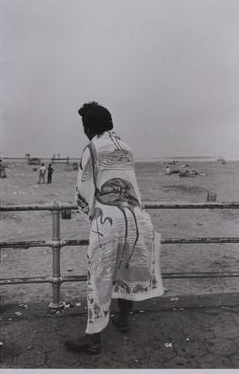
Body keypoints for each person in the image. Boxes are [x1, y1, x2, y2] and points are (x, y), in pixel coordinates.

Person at [65, 102, 163, 354]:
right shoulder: (127, 148)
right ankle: (123, 319)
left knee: (99, 273)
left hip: (108, 218)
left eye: (83, 125)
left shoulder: (92, 148)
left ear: (89, 126)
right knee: (127, 267)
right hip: (137, 216)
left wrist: (91, 215)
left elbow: (83, 192)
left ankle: (94, 339)